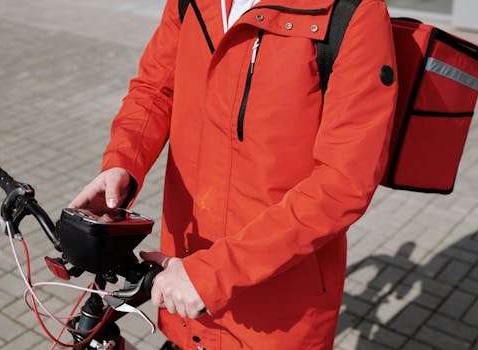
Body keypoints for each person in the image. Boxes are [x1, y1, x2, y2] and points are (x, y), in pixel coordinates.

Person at [69, 0, 398, 348]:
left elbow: (343, 183)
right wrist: (122, 162)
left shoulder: (352, 12)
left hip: (275, 312)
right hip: (185, 279)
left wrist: (214, 274)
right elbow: (156, 88)